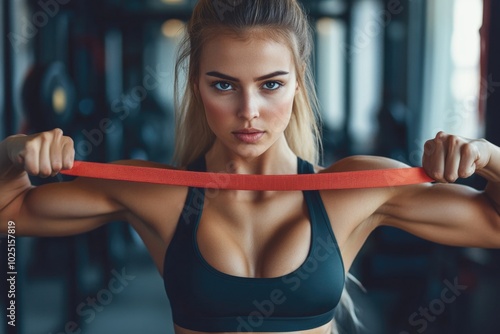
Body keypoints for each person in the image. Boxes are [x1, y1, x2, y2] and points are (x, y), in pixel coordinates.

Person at [1, 0, 500, 333]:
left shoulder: (352, 190)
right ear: (195, 83)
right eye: (223, 85)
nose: (249, 111)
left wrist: (487, 155)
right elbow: (9, 215)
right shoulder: (156, 193)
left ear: (298, 83)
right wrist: (15, 152)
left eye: (271, 84)